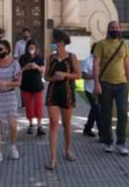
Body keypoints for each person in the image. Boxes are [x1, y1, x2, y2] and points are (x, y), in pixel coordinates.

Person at [93, 21, 129, 156]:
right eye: (112, 28)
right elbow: (96, 65)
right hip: (105, 83)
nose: (114, 29)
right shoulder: (101, 45)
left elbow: (126, 65)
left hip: (121, 84)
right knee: (106, 114)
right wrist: (96, 83)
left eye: (116, 27)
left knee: (123, 112)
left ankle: (121, 143)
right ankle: (108, 141)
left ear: (120, 29)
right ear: (108, 30)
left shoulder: (124, 45)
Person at [44, 29, 81, 170]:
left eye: (53, 40)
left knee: (66, 124)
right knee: (53, 124)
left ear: (60, 42)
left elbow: (78, 75)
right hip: (53, 93)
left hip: (67, 93)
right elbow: (46, 77)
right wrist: (53, 77)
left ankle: (68, 150)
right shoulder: (50, 58)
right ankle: (52, 158)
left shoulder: (72, 57)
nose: (52, 42)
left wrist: (65, 74)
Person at [19, 40, 46, 136]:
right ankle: (31, 125)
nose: (31, 48)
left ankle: (40, 126)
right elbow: (19, 71)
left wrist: (36, 67)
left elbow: (43, 70)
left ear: (36, 48)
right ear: (27, 48)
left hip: (37, 85)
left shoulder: (39, 58)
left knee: (39, 105)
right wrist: (26, 67)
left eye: (33, 47)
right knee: (28, 106)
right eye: (30, 47)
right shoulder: (23, 58)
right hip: (26, 85)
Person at [81, 43, 101, 138]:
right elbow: (83, 75)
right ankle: (102, 132)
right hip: (89, 89)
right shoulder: (87, 60)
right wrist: (94, 76)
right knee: (96, 109)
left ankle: (87, 128)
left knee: (95, 109)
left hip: (100, 89)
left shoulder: (102, 60)